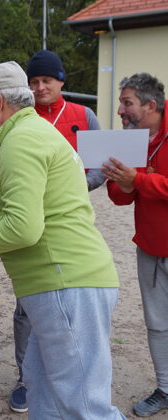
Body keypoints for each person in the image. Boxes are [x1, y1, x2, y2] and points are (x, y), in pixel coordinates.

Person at [0, 61, 126, 420]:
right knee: (44, 393)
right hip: (66, 282)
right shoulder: (34, 133)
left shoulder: (22, 142)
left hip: (64, 282)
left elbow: (23, 227)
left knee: (85, 406)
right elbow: (7, 211)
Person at [0, 49, 106, 413]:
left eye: (47, 81)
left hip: (66, 222)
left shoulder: (83, 116)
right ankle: (26, 378)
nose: (40, 88)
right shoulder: (20, 117)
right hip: (28, 227)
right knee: (27, 307)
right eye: (34, 82)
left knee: (68, 313)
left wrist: (71, 185)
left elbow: (101, 165)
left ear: (61, 81)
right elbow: (2, 172)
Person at [102, 73, 168, 417]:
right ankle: (165, 389)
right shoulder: (130, 137)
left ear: (150, 105)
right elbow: (118, 196)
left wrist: (138, 180)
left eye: (127, 103)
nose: (120, 111)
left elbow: (143, 183)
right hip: (150, 247)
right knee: (157, 323)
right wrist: (125, 184)